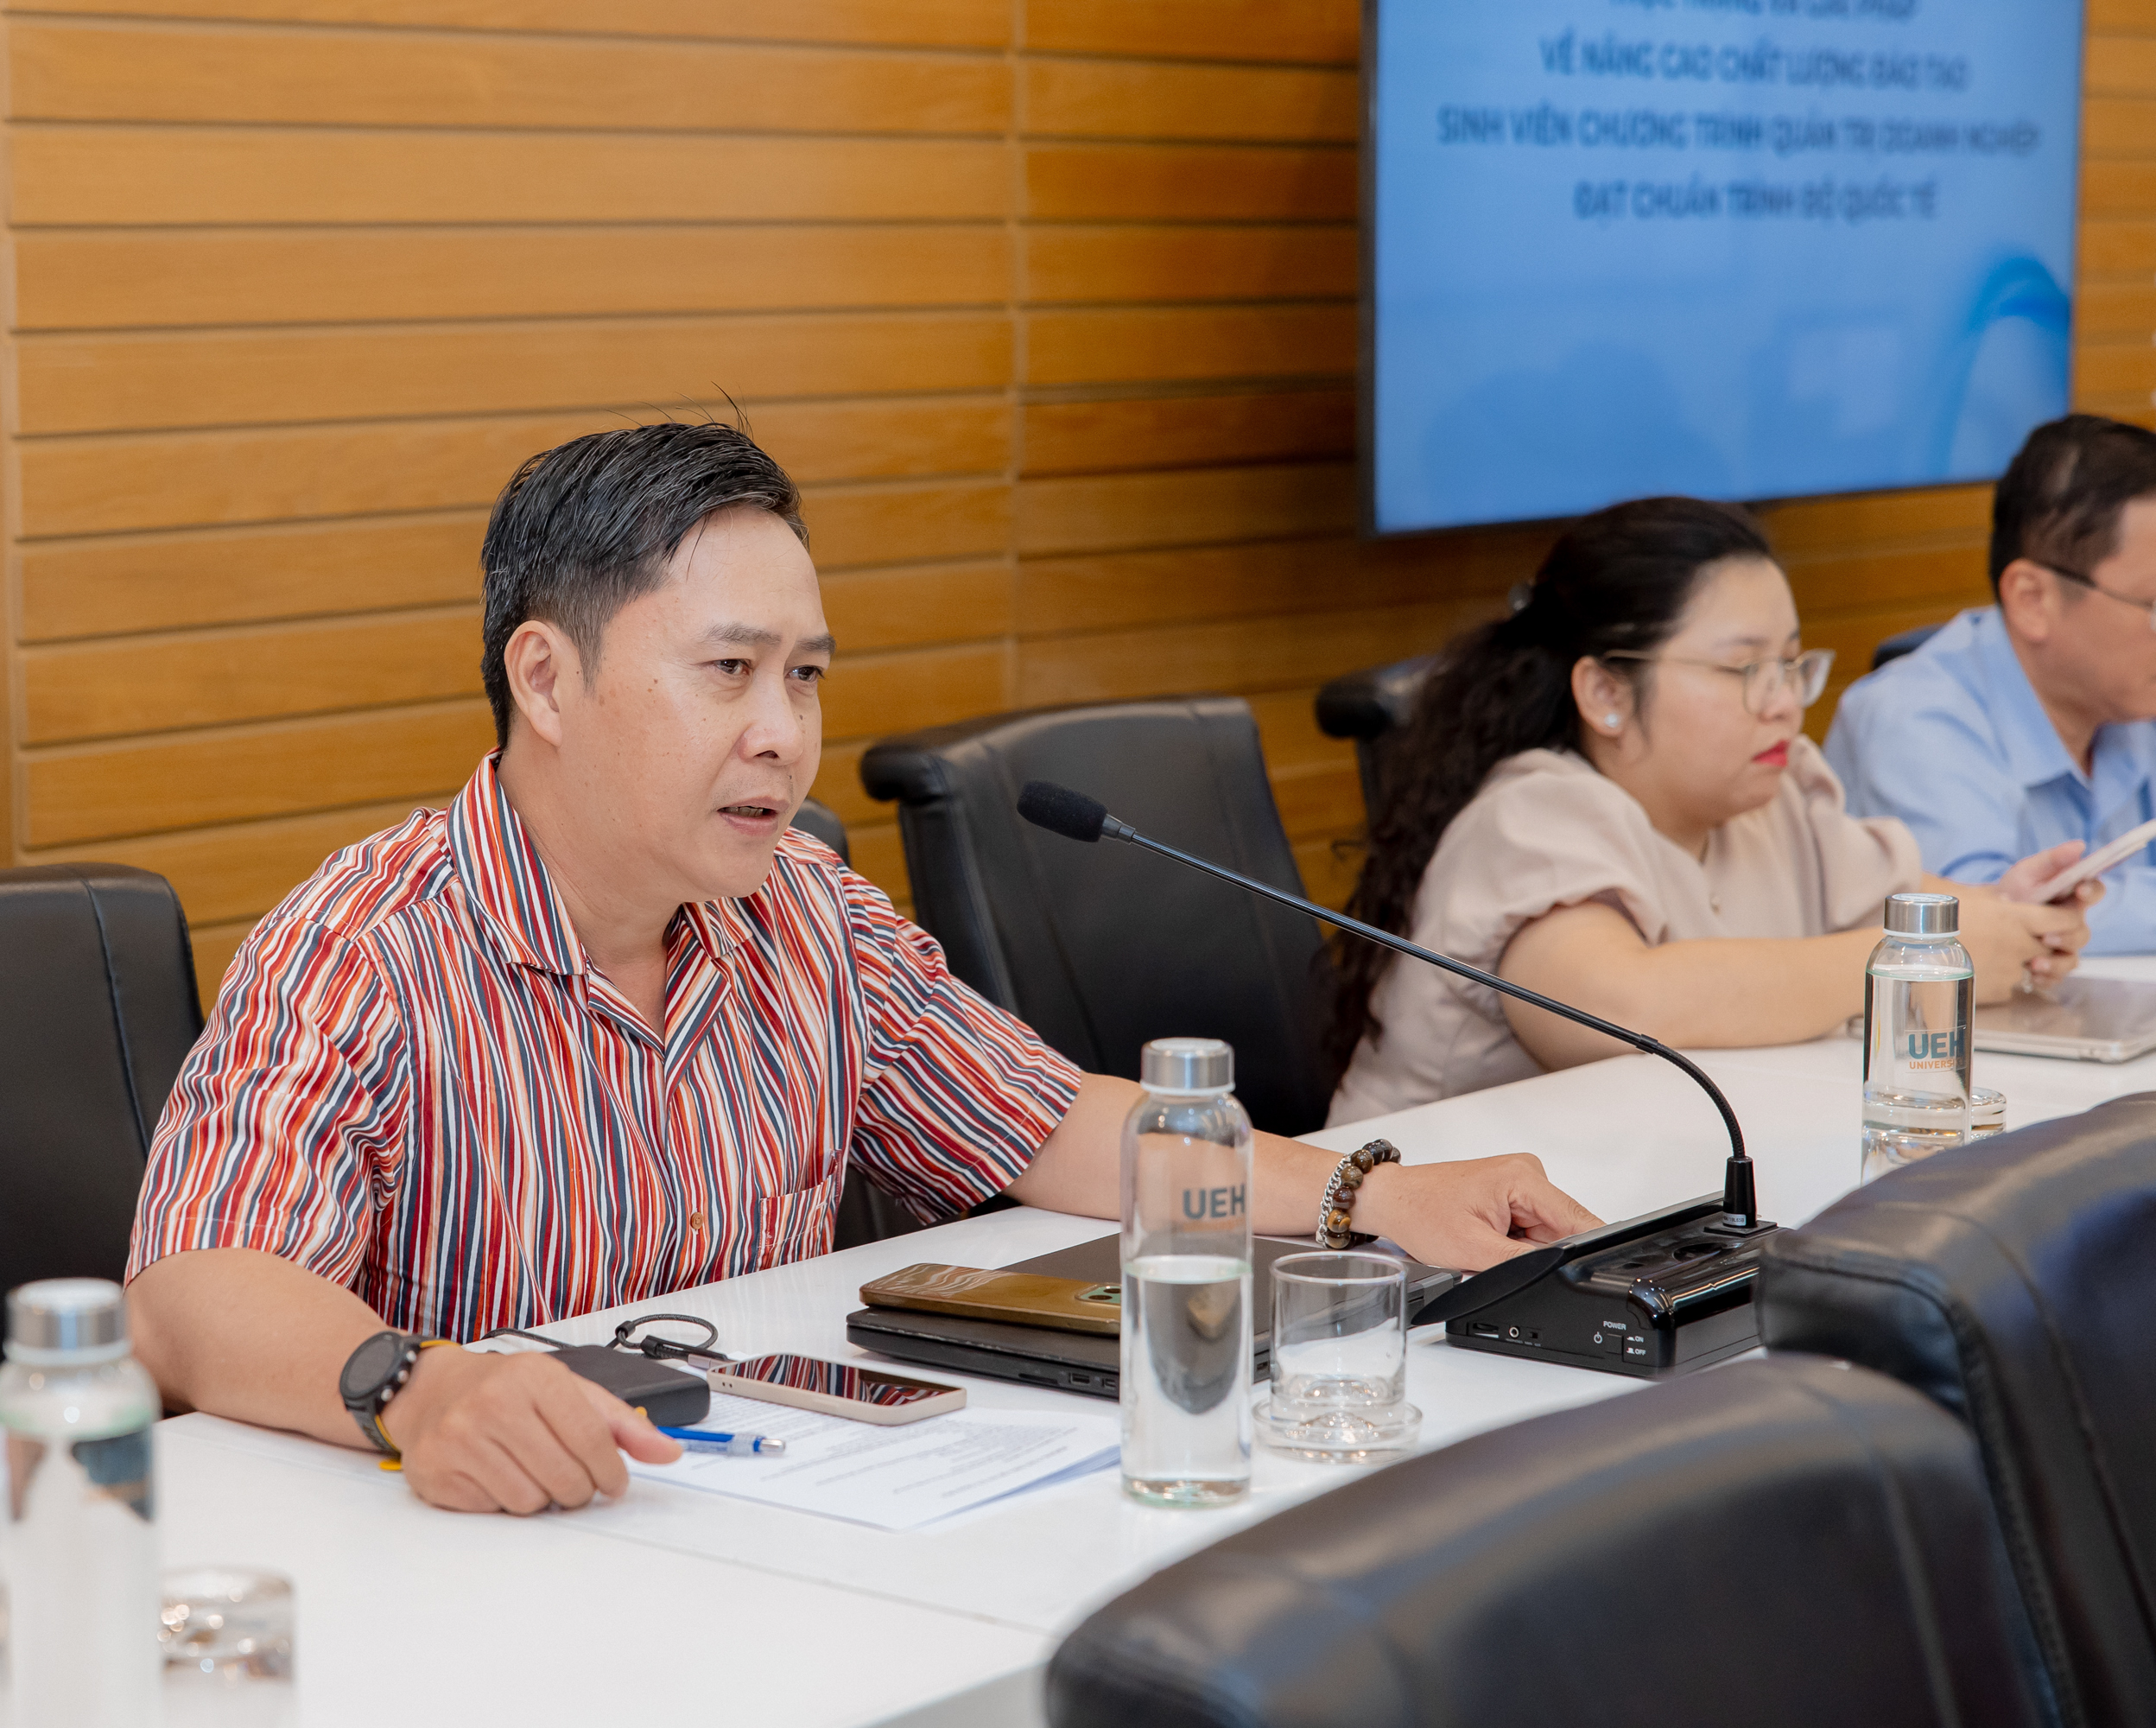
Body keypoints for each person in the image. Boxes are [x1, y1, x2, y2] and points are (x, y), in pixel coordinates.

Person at [125, 423, 1601, 1518]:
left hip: (758, 1506)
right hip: (482, 1544)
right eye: (729, 671)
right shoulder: (363, 947)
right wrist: (416, 1385)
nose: (783, 733)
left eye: (807, 675)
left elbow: (1052, 1126)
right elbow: (192, 1290)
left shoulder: (804, 914)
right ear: (546, 678)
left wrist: (1370, 1194)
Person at [1328, 496, 2094, 1125]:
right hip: (1420, 1237)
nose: (1784, 702)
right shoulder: (1533, 816)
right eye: (1744, 668)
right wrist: (1908, 961)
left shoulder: (1772, 792)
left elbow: (1911, 906)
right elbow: (1623, 1007)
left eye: (1791, 664)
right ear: (1605, 692)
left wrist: (2011, 917)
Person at [1825, 415, 2156, 950]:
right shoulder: (1914, 718)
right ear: (2032, 599)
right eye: (2153, 605)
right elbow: (1988, 923)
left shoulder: (2127, 698)